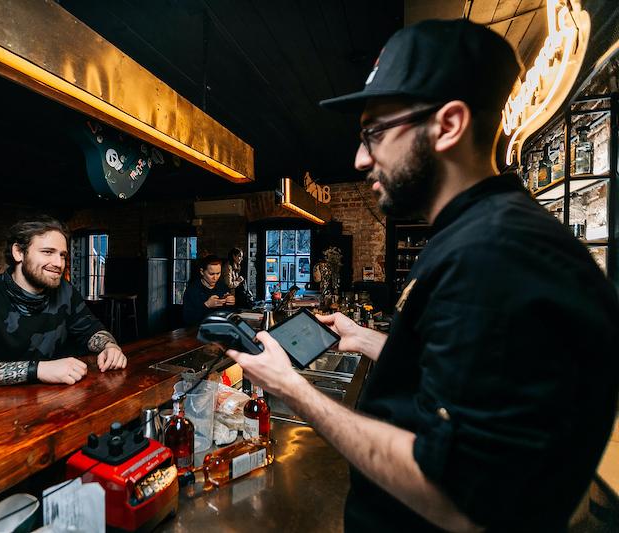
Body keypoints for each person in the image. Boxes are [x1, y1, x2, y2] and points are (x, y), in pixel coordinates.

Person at [226, 19, 619, 532]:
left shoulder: (494, 254)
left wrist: (292, 388)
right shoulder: (479, 234)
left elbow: (457, 497)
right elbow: (461, 375)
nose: (361, 157)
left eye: (375, 133)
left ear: (449, 125)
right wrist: (366, 338)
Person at [0, 216, 127, 393]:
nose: (58, 263)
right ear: (18, 253)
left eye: (62, 255)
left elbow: (91, 329)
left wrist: (109, 346)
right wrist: (37, 370)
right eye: (48, 252)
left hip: (50, 409)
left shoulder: (65, 291)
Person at [182, 254, 236, 326]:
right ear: (202, 272)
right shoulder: (192, 290)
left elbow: (229, 315)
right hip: (197, 331)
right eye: (211, 274)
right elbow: (188, 319)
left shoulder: (223, 287)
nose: (215, 277)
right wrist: (206, 305)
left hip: (220, 328)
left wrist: (231, 303)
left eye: (218, 273)